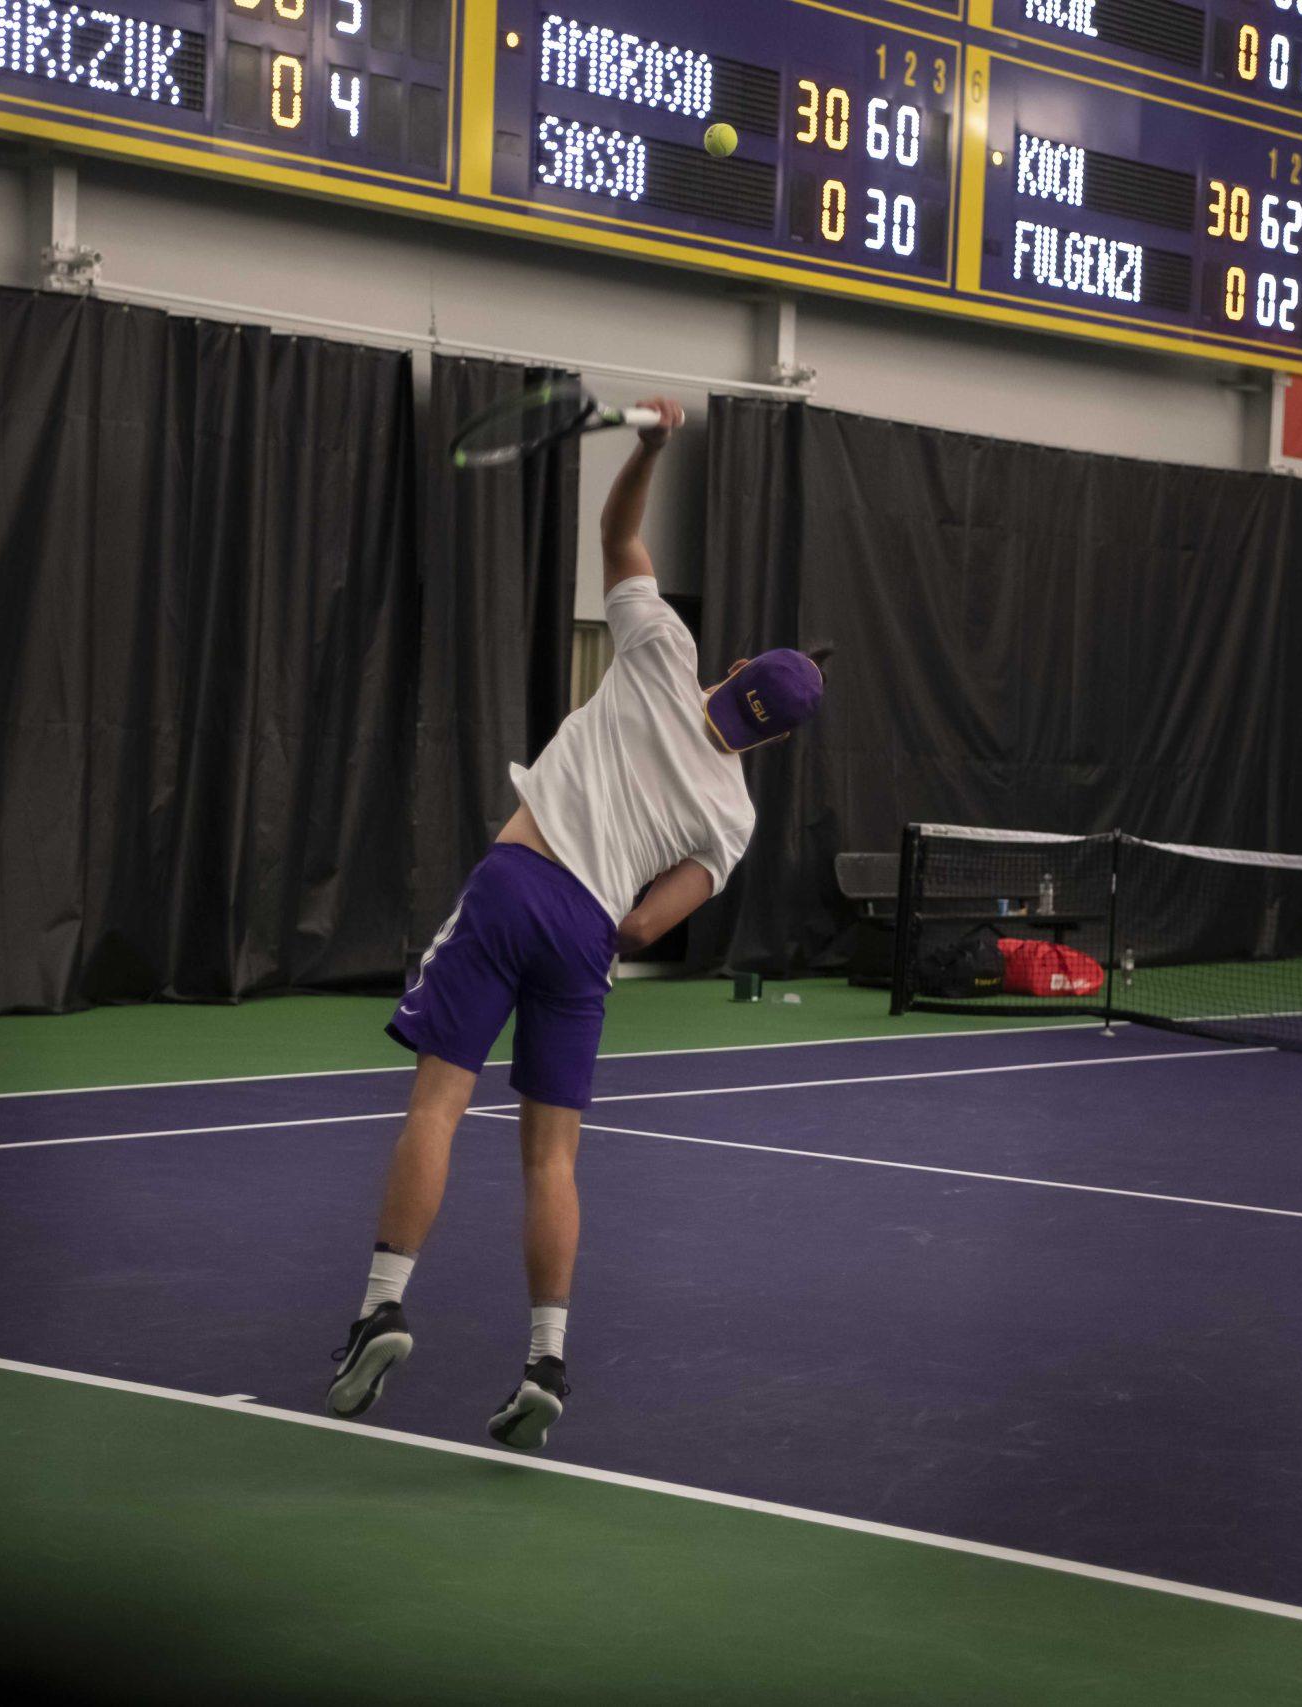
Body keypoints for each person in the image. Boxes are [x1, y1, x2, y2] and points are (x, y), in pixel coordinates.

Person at [324, 397, 829, 1452]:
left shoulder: (657, 648)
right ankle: (546, 1360)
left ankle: (379, 1306)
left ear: (733, 671)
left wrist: (647, 447)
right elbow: (654, 922)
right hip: (588, 941)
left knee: (437, 1109)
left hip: (519, 881)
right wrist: (606, 924)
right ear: (771, 739)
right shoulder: (734, 813)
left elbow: (615, 537)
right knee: (551, 1161)